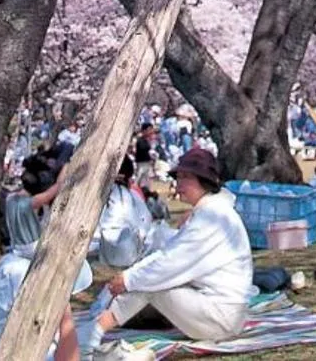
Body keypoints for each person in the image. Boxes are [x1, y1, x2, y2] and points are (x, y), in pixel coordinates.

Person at [90, 146, 253, 346]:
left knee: (152, 283)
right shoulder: (210, 212)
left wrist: (128, 279)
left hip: (223, 318)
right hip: (220, 311)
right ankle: (103, 319)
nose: (179, 183)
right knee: (146, 281)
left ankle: (96, 331)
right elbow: (168, 253)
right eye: (179, 177)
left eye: (186, 178)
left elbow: (168, 265)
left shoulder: (212, 217)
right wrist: (128, 277)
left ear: (204, 182)